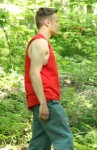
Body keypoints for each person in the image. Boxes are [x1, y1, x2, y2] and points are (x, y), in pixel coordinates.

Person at [24, 7, 74, 150]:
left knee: (40, 143)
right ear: (47, 22)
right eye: (56, 21)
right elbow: (34, 73)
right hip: (47, 100)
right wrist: (44, 103)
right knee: (64, 138)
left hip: (40, 100)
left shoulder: (39, 42)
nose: (58, 24)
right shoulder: (40, 43)